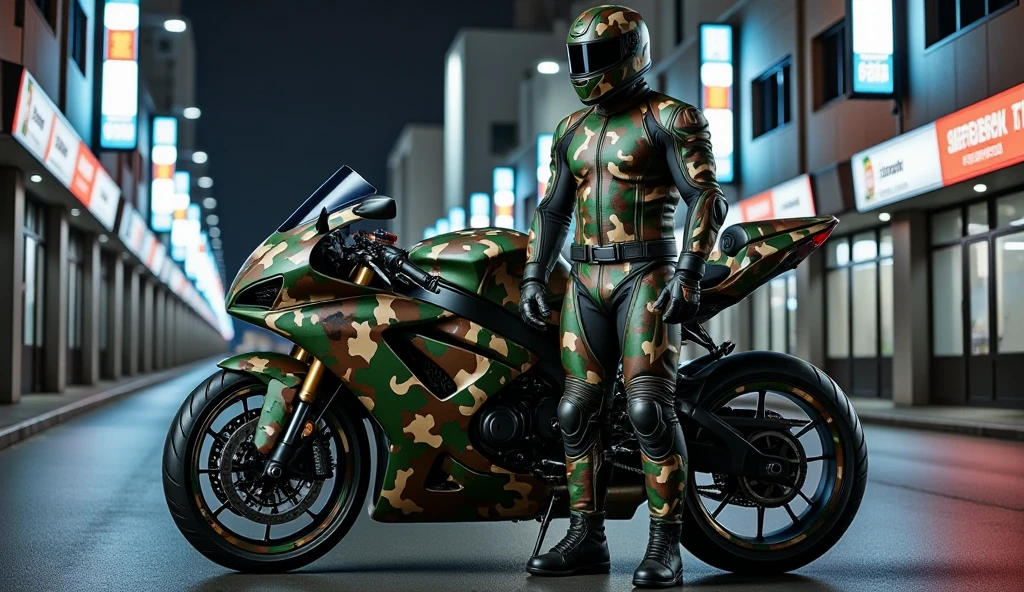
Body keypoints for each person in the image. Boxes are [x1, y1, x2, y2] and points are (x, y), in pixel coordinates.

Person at [518, 5, 728, 588]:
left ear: (630, 53)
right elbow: (553, 210)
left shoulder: (670, 117)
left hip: (648, 277)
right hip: (584, 283)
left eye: (597, 57)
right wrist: (535, 277)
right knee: (574, 410)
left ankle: (667, 547)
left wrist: (688, 273)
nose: (585, 70)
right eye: (577, 58)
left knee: (647, 410)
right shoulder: (569, 131)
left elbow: (707, 197)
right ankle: (588, 539)